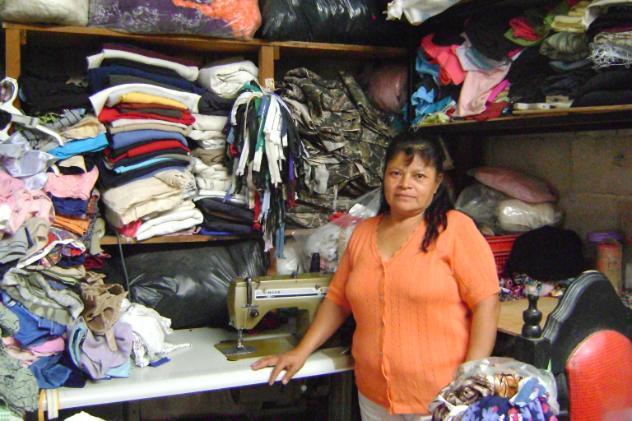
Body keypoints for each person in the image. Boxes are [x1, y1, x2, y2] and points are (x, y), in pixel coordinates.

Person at [252, 132, 500, 420]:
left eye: (419, 176)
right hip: (373, 395)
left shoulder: (455, 229)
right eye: (396, 173)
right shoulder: (363, 232)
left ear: (437, 183)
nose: (405, 184)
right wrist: (301, 351)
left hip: (441, 398)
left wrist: (469, 379)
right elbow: (338, 300)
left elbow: (486, 303)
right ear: (384, 178)